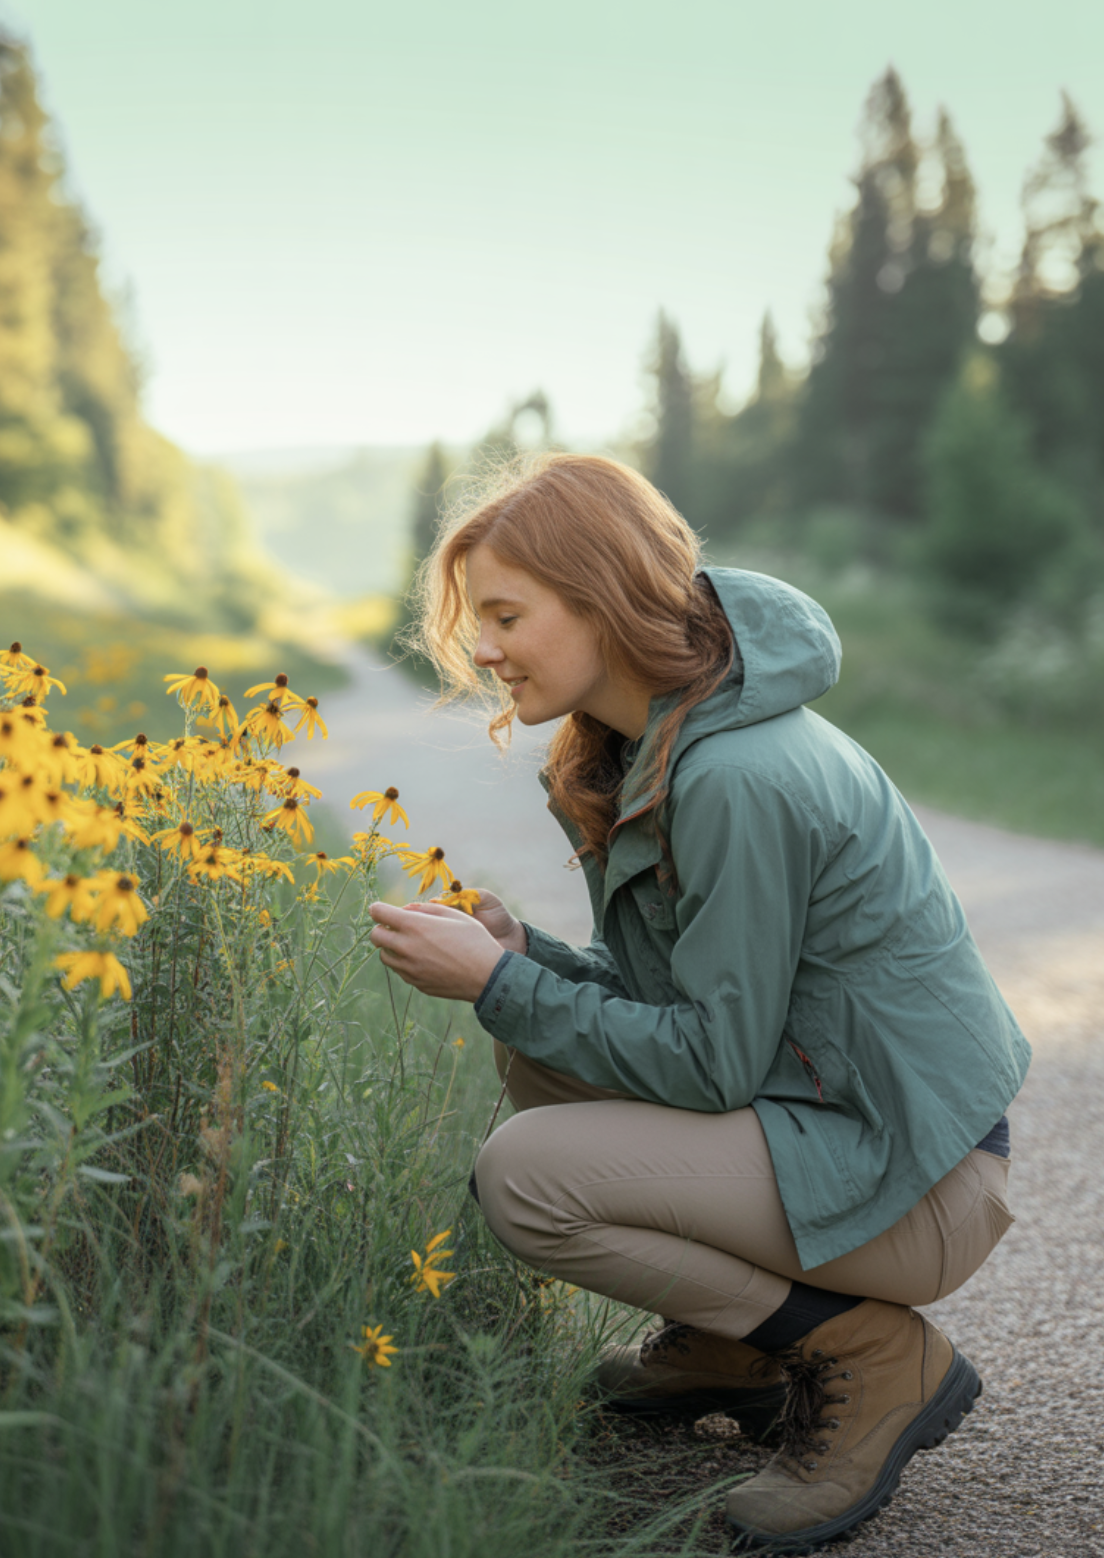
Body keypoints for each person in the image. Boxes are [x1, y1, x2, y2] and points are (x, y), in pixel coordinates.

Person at [367, 452, 1029, 1553]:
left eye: (504, 613)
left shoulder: (733, 773)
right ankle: (731, 1347)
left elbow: (710, 1062)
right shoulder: (650, 741)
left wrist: (500, 984)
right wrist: (519, 954)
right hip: (836, 1130)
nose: (480, 648)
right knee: (540, 1062)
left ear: (602, 599)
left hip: (917, 1183)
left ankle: (866, 1355)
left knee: (524, 1177)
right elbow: (665, 1004)